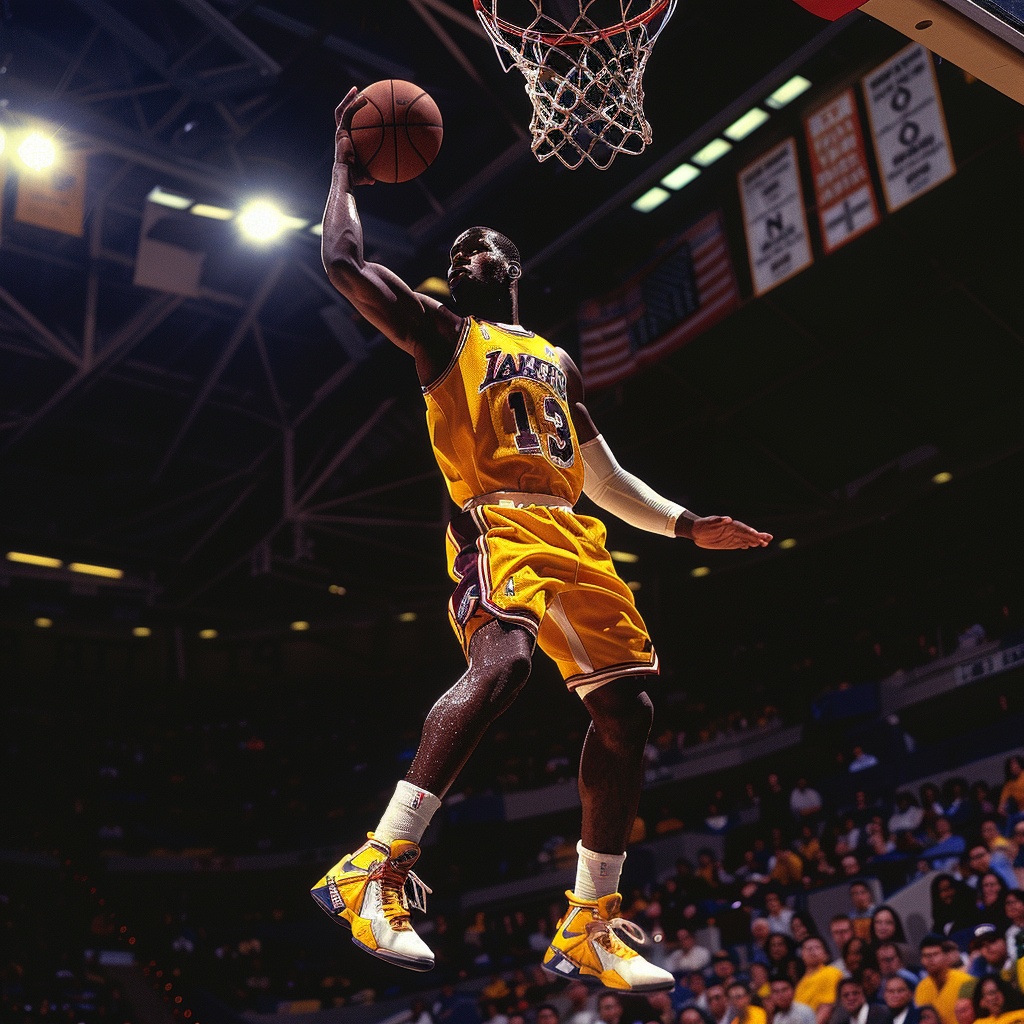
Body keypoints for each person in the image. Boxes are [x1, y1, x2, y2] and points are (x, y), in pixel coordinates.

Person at [309, 88, 771, 982]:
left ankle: (589, 923)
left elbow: (604, 479)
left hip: (578, 537)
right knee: (507, 665)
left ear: (511, 265)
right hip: (497, 527)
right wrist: (343, 165)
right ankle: (374, 866)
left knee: (627, 709)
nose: (464, 251)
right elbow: (339, 261)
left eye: (479, 244)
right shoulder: (444, 333)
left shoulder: (558, 360)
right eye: (455, 251)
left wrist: (683, 524)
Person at [914, 935, 976, 1024]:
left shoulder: (966, 981)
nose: (930, 960)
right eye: (926, 956)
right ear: (921, 960)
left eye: (935, 954)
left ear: (945, 956)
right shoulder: (921, 987)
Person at [794, 937, 844, 1024]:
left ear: (825, 954)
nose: (812, 951)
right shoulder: (800, 983)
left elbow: (826, 1007)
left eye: (817, 947)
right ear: (802, 954)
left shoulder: (830, 972)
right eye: (808, 948)